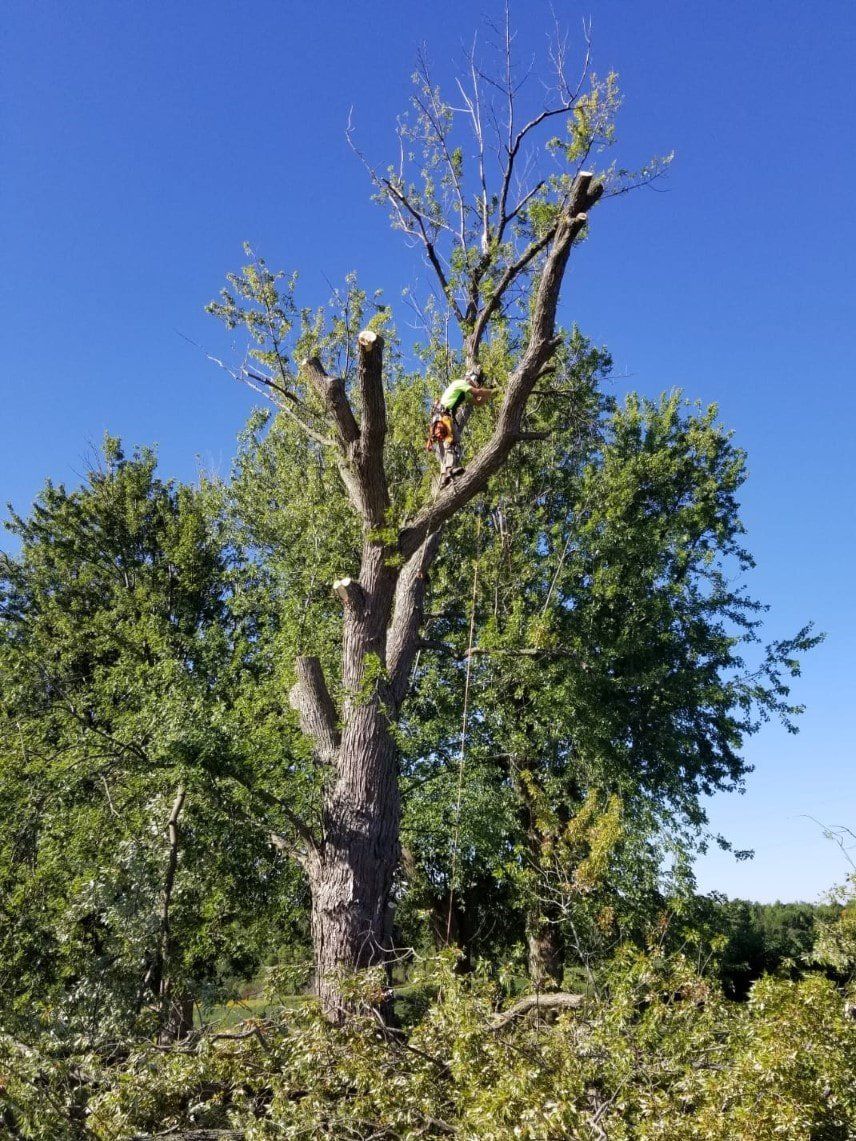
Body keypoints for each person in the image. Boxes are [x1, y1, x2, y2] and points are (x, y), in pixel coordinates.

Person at [426, 369, 494, 484]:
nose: (474, 384)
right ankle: (449, 470)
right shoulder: (460, 383)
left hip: (442, 418)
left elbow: (479, 402)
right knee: (451, 442)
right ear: (468, 379)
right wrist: (493, 391)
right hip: (442, 417)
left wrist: (488, 391)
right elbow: (478, 392)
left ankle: (445, 475)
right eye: (473, 381)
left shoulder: (465, 393)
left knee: (452, 444)